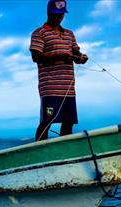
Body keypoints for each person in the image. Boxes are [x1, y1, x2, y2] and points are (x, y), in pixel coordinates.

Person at [30, 0, 88, 141]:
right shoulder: (39, 33)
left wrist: (81, 57)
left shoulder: (69, 34)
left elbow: (76, 52)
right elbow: (36, 57)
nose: (59, 17)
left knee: (68, 123)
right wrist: (59, 55)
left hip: (68, 88)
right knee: (46, 122)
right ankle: (39, 153)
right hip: (50, 88)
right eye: (56, 14)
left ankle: (65, 156)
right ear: (49, 12)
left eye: (61, 14)